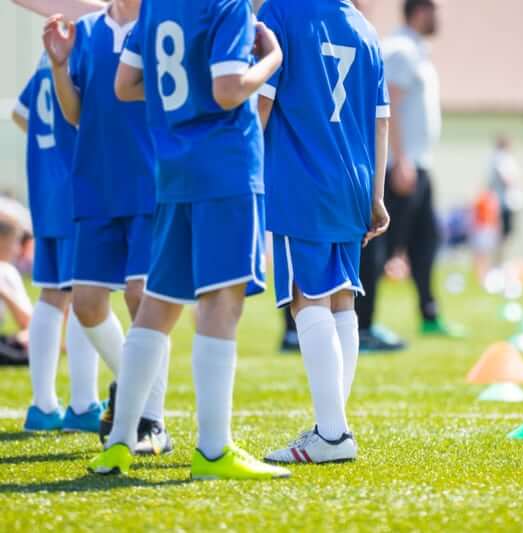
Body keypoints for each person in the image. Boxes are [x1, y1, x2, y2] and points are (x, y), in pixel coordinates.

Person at [88, 0, 288, 480]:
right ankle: (215, 451)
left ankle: (119, 443)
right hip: (224, 168)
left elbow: (125, 84)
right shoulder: (228, 4)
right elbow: (227, 91)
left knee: (159, 304)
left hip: (174, 170)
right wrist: (274, 58)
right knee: (221, 302)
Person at [256, 0, 390, 463]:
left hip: (301, 180)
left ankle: (333, 435)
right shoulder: (365, 28)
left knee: (306, 298)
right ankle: (331, 427)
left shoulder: (280, 13)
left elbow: (262, 104)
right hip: (353, 181)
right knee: (341, 301)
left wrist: (240, 171)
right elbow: (381, 122)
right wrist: (376, 195)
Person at [42, 0, 172, 452]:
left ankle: (151, 419)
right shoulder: (88, 30)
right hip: (96, 183)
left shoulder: (161, 23)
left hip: (151, 181)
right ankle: (131, 384)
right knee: (87, 305)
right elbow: (76, 113)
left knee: (142, 297)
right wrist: (60, 65)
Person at [355, 0, 461, 349]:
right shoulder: (400, 49)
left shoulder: (417, 49)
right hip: (401, 165)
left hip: (418, 163)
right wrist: (399, 161)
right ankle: (364, 325)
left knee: (425, 242)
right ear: (419, 11)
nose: (438, 17)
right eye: (433, 9)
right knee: (379, 248)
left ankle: (429, 315)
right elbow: (390, 105)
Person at [11, 51, 105, 431]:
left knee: (52, 295)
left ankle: (43, 405)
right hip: (77, 187)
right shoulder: (85, 43)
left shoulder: (47, 54)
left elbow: (20, 114)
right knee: (87, 292)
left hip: (46, 188)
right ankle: (83, 404)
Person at [0, 217, 33, 367]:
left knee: (28, 347)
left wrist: (3, 293)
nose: (18, 250)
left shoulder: (8, 272)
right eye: (15, 242)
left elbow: (28, 323)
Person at [488, 135, 522, 249]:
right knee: (502, 234)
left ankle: (501, 259)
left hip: (508, 201)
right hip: (503, 202)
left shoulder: (505, 158)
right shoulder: (500, 158)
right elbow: (504, 178)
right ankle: (499, 261)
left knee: (506, 234)